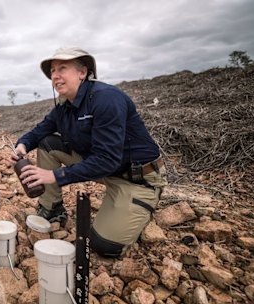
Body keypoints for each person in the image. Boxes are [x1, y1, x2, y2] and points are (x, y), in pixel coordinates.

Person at [11, 47, 168, 258]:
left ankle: (140, 203)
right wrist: (22, 145)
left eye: (62, 69)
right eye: (52, 71)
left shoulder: (107, 98)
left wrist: (54, 176)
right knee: (48, 143)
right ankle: (52, 208)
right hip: (105, 170)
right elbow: (40, 131)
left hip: (137, 178)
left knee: (104, 245)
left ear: (82, 73)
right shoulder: (64, 107)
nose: (55, 76)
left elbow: (107, 159)